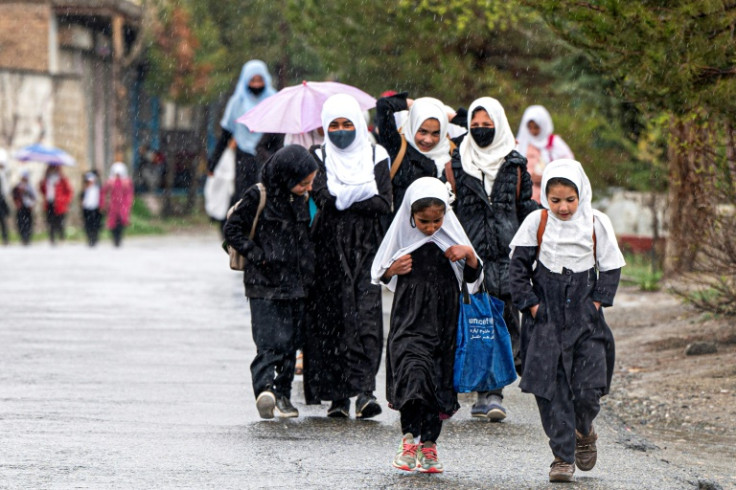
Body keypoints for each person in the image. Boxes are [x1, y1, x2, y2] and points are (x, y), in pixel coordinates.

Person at [508, 159, 625, 483]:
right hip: (545, 319)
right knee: (551, 390)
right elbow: (517, 269)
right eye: (555, 200)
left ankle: (583, 429)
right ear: (546, 196)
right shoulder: (536, 222)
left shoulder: (595, 222)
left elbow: (611, 268)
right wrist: (531, 306)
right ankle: (562, 456)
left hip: (585, 320)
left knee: (588, 388)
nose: (562, 207)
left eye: (569, 200)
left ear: (581, 195)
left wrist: (596, 303)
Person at [372, 177, 483, 474]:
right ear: (410, 215)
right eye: (423, 221)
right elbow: (379, 272)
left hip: (444, 322)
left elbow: (473, 278)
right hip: (408, 320)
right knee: (412, 374)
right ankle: (408, 439)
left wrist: (469, 257)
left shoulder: (452, 238)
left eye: (437, 220)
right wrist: (391, 270)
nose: (432, 228)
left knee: (437, 381)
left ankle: (429, 446)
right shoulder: (402, 238)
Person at [444, 97, 539, 421]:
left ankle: (493, 392)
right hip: (467, 254)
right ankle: (472, 385)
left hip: (504, 253)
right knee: (472, 322)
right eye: (475, 125)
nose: (481, 131)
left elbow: (523, 205)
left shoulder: (515, 164)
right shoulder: (456, 163)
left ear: (499, 125)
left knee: (501, 322)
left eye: (487, 125)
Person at [304, 93, 392, 419]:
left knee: (366, 317)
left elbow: (384, 202)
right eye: (335, 125)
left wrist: (344, 195)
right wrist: (361, 190)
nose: (342, 130)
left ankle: (366, 391)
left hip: (368, 247)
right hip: (328, 247)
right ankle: (337, 396)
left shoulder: (376, 153)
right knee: (332, 319)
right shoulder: (318, 154)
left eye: (347, 123)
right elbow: (323, 197)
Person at [223, 145, 318, 419]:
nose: (307, 188)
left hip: (295, 285)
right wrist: (257, 256)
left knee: (290, 343)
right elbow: (232, 230)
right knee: (267, 340)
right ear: (287, 177)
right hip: (262, 283)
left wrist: (309, 276)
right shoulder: (258, 195)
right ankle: (265, 390)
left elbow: (305, 240)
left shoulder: (300, 200)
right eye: (303, 183)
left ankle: (284, 394)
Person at [375, 93, 461, 211]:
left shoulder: (452, 152)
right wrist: (414, 105)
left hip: (439, 228)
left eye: (436, 133)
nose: (428, 140)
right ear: (413, 125)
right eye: (422, 131)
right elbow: (383, 105)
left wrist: (452, 118)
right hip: (400, 227)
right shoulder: (397, 147)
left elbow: (479, 129)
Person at [208, 60, 277, 200]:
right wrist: (213, 163)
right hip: (244, 159)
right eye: (252, 80)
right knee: (245, 197)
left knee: (268, 197)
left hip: (269, 156)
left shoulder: (274, 100)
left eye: (260, 80)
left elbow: (281, 131)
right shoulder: (237, 103)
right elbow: (226, 135)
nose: (256, 85)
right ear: (245, 81)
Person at [516, 105, 575, 203]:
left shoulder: (555, 143)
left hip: (552, 198)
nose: (533, 131)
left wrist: (548, 177)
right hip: (526, 198)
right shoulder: (522, 143)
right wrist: (528, 177)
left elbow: (569, 166)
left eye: (536, 127)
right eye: (529, 127)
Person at [101, 162, 134, 247]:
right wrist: (104, 203)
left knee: (121, 223)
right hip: (112, 206)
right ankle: (115, 238)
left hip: (122, 206)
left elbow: (128, 195)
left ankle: (118, 238)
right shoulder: (110, 182)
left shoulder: (126, 183)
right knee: (113, 224)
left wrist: (127, 204)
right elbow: (103, 192)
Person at [39, 165, 72, 244]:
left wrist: (65, 200)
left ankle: (61, 237)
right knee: (50, 221)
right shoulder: (46, 180)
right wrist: (42, 182)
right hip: (49, 203)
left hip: (59, 204)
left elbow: (69, 191)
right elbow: (43, 190)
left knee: (60, 221)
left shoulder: (62, 179)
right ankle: (52, 238)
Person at [12, 170, 36, 245]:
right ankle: (23, 237)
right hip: (20, 207)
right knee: (21, 223)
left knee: (28, 223)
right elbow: (14, 196)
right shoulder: (17, 187)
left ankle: (27, 237)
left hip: (28, 207)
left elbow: (34, 197)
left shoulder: (30, 187)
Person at [80, 171, 102, 247]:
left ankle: (95, 238)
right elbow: (81, 198)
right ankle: (90, 238)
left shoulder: (97, 188)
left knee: (95, 224)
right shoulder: (84, 190)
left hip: (95, 209)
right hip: (87, 209)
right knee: (88, 225)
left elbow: (100, 198)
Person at [0, 149, 10, 245]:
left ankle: (5, 238)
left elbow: (6, 188)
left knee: (3, 220)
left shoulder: (3, 175)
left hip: (1, 199)